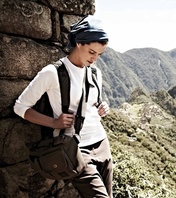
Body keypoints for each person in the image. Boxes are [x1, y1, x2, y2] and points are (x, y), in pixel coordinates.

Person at [14, 15, 113, 198]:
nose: (95, 58)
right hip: (75, 149)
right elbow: (20, 107)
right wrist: (53, 123)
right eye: (92, 52)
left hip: (101, 142)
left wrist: (102, 107)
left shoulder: (95, 73)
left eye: (99, 54)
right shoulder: (52, 73)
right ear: (79, 43)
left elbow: (92, 103)